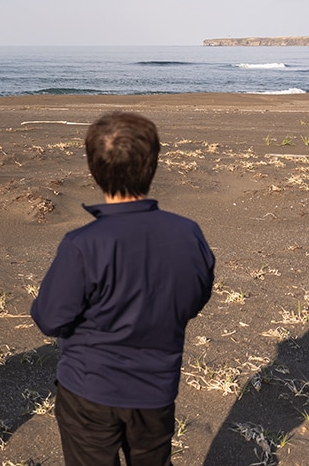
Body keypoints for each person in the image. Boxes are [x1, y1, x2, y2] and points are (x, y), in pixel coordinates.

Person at [31, 112, 215, 466]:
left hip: (89, 388)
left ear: (93, 168)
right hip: (155, 389)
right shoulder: (188, 234)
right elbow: (195, 298)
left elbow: (50, 318)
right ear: (153, 163)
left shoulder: (83, 244)